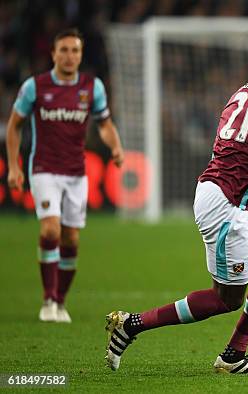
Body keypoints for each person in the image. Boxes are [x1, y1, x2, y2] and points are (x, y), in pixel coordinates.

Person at [105, 32, 248, 375]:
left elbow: (240, 159)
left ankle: (233, 356)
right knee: (226, 299)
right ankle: (131, 325)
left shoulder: (243, 92)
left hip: (236, 194)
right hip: (227, 203)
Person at [5, 28, 124, 323]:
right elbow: (14, 125)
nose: (70, 56)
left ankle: (60, 301)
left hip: (76, 173)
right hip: (44, 169)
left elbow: (104, 123)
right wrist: (14, 166)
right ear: (53, 53)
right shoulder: (36, 86)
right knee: (50, 231)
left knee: (71, 239)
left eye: (75, 51)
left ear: (81, 55)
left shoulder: (91, 87)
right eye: (64, 50)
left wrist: (116, 146)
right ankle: (48, 299)